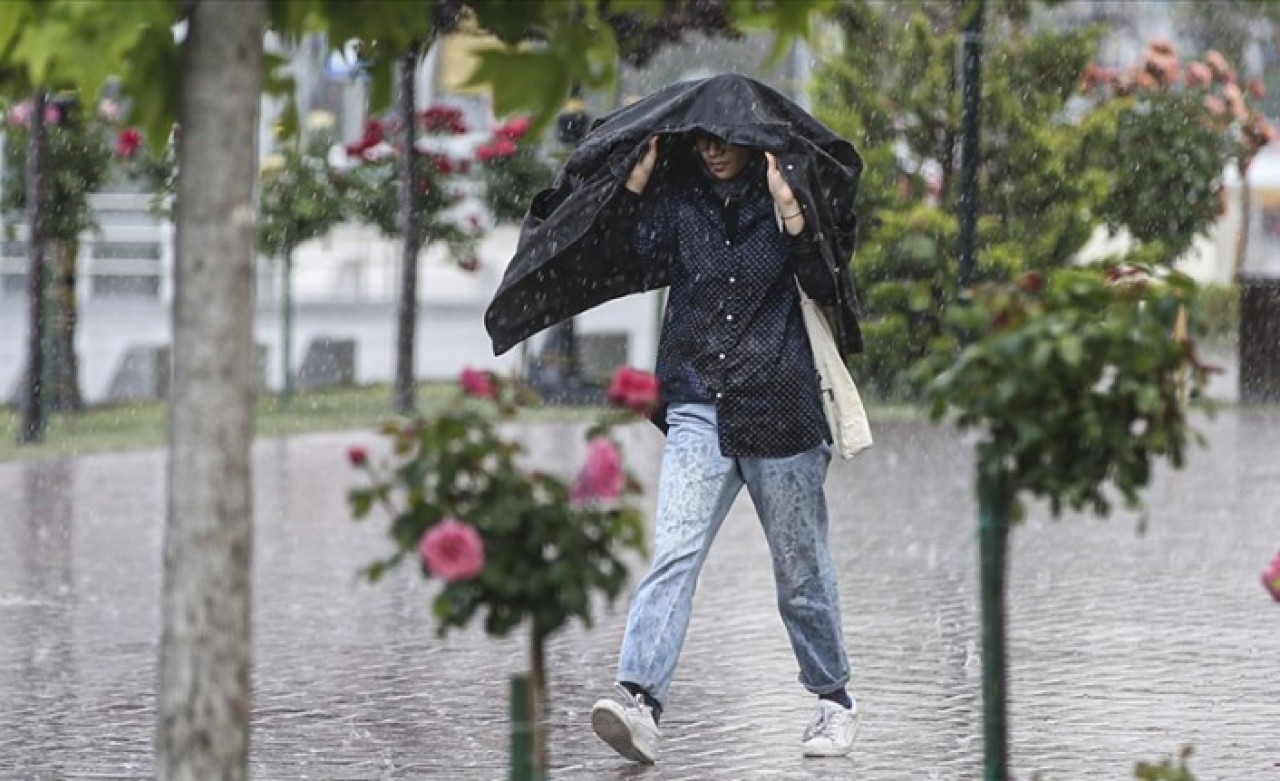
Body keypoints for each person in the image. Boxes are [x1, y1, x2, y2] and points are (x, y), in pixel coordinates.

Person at [586, 130, 859, 765]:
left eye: (725, 142)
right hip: (698, 405)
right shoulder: (680, 204)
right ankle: (638, 700)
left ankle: (834, 698)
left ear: (753, 143)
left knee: (800, 568)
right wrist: (636, 180)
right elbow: (620, 259)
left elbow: (826, 282)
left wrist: (790, 207)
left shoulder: (787, 201)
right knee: (674, 550)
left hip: (784, 409)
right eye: (703, 141)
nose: (712, 152)